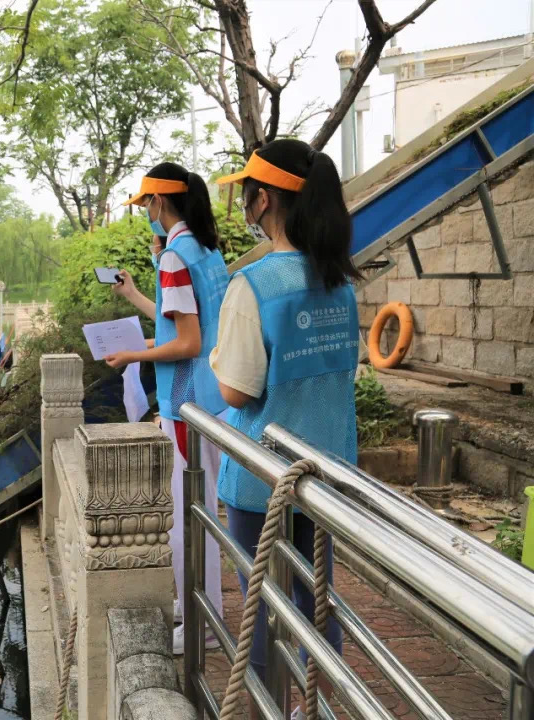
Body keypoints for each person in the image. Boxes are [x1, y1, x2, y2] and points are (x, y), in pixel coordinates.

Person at [213, 139, 361, 719]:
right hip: (326, 472)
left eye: (246, 194)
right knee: (317, 597)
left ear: (264, 200)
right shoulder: (339, 282)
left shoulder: (253, 284)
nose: (243, 204)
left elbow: (236, 391)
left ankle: (264, 707)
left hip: (262, 480)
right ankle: (317, 706)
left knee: (261, 604)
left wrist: (220, 359)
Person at [104, 161, 229, 654]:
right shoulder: (204, 250)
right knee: (203, 511)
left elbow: (187, 343)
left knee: (187, 517)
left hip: (187, 403)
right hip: (214, 398)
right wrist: (135, 295)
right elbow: (185, 326)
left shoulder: (176, 257)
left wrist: (133, 355)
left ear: (158, 202)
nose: (145, 214)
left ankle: (203, 625)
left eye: (144, 205)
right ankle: (201, 610)